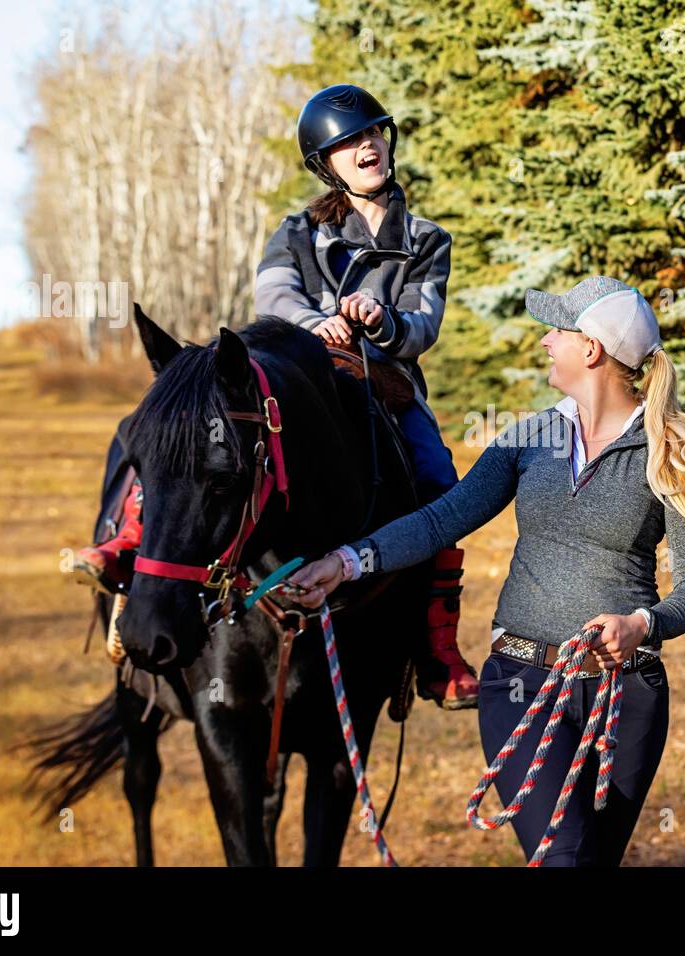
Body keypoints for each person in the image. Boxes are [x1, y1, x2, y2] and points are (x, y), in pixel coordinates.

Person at [285, 275, 685, 865]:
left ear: (591, 350)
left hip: (627, 694)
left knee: (589, 861)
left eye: (557, 330)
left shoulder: (670, 450)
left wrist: (642, 623)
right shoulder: (529, 438)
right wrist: (347, 561)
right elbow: (441, 520)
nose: (545, 342)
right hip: (521, 682)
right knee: (563, 857)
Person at [73, 83, 479, 709]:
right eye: (347, 143)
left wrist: (378, 318)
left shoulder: (426, 239)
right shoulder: (295, 231)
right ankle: (130, 540)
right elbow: (274, 295)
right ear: (327, 165)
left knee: (438, 482)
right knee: (190, 431)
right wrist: (315, 324)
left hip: (384, 383)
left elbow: (423, 322)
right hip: (297, 374)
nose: (365, 146)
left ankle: (435, 647)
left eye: (372, 133)